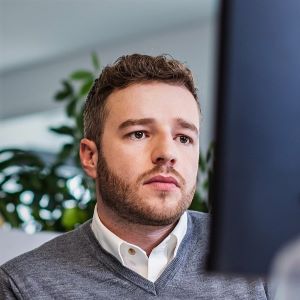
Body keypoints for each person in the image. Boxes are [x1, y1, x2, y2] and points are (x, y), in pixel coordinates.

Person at [0, 54, 272, 299]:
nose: (167, 153)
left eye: (184, 138)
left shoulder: (262, 257)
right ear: (90, 156)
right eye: (139, 133)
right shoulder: (23, 285)